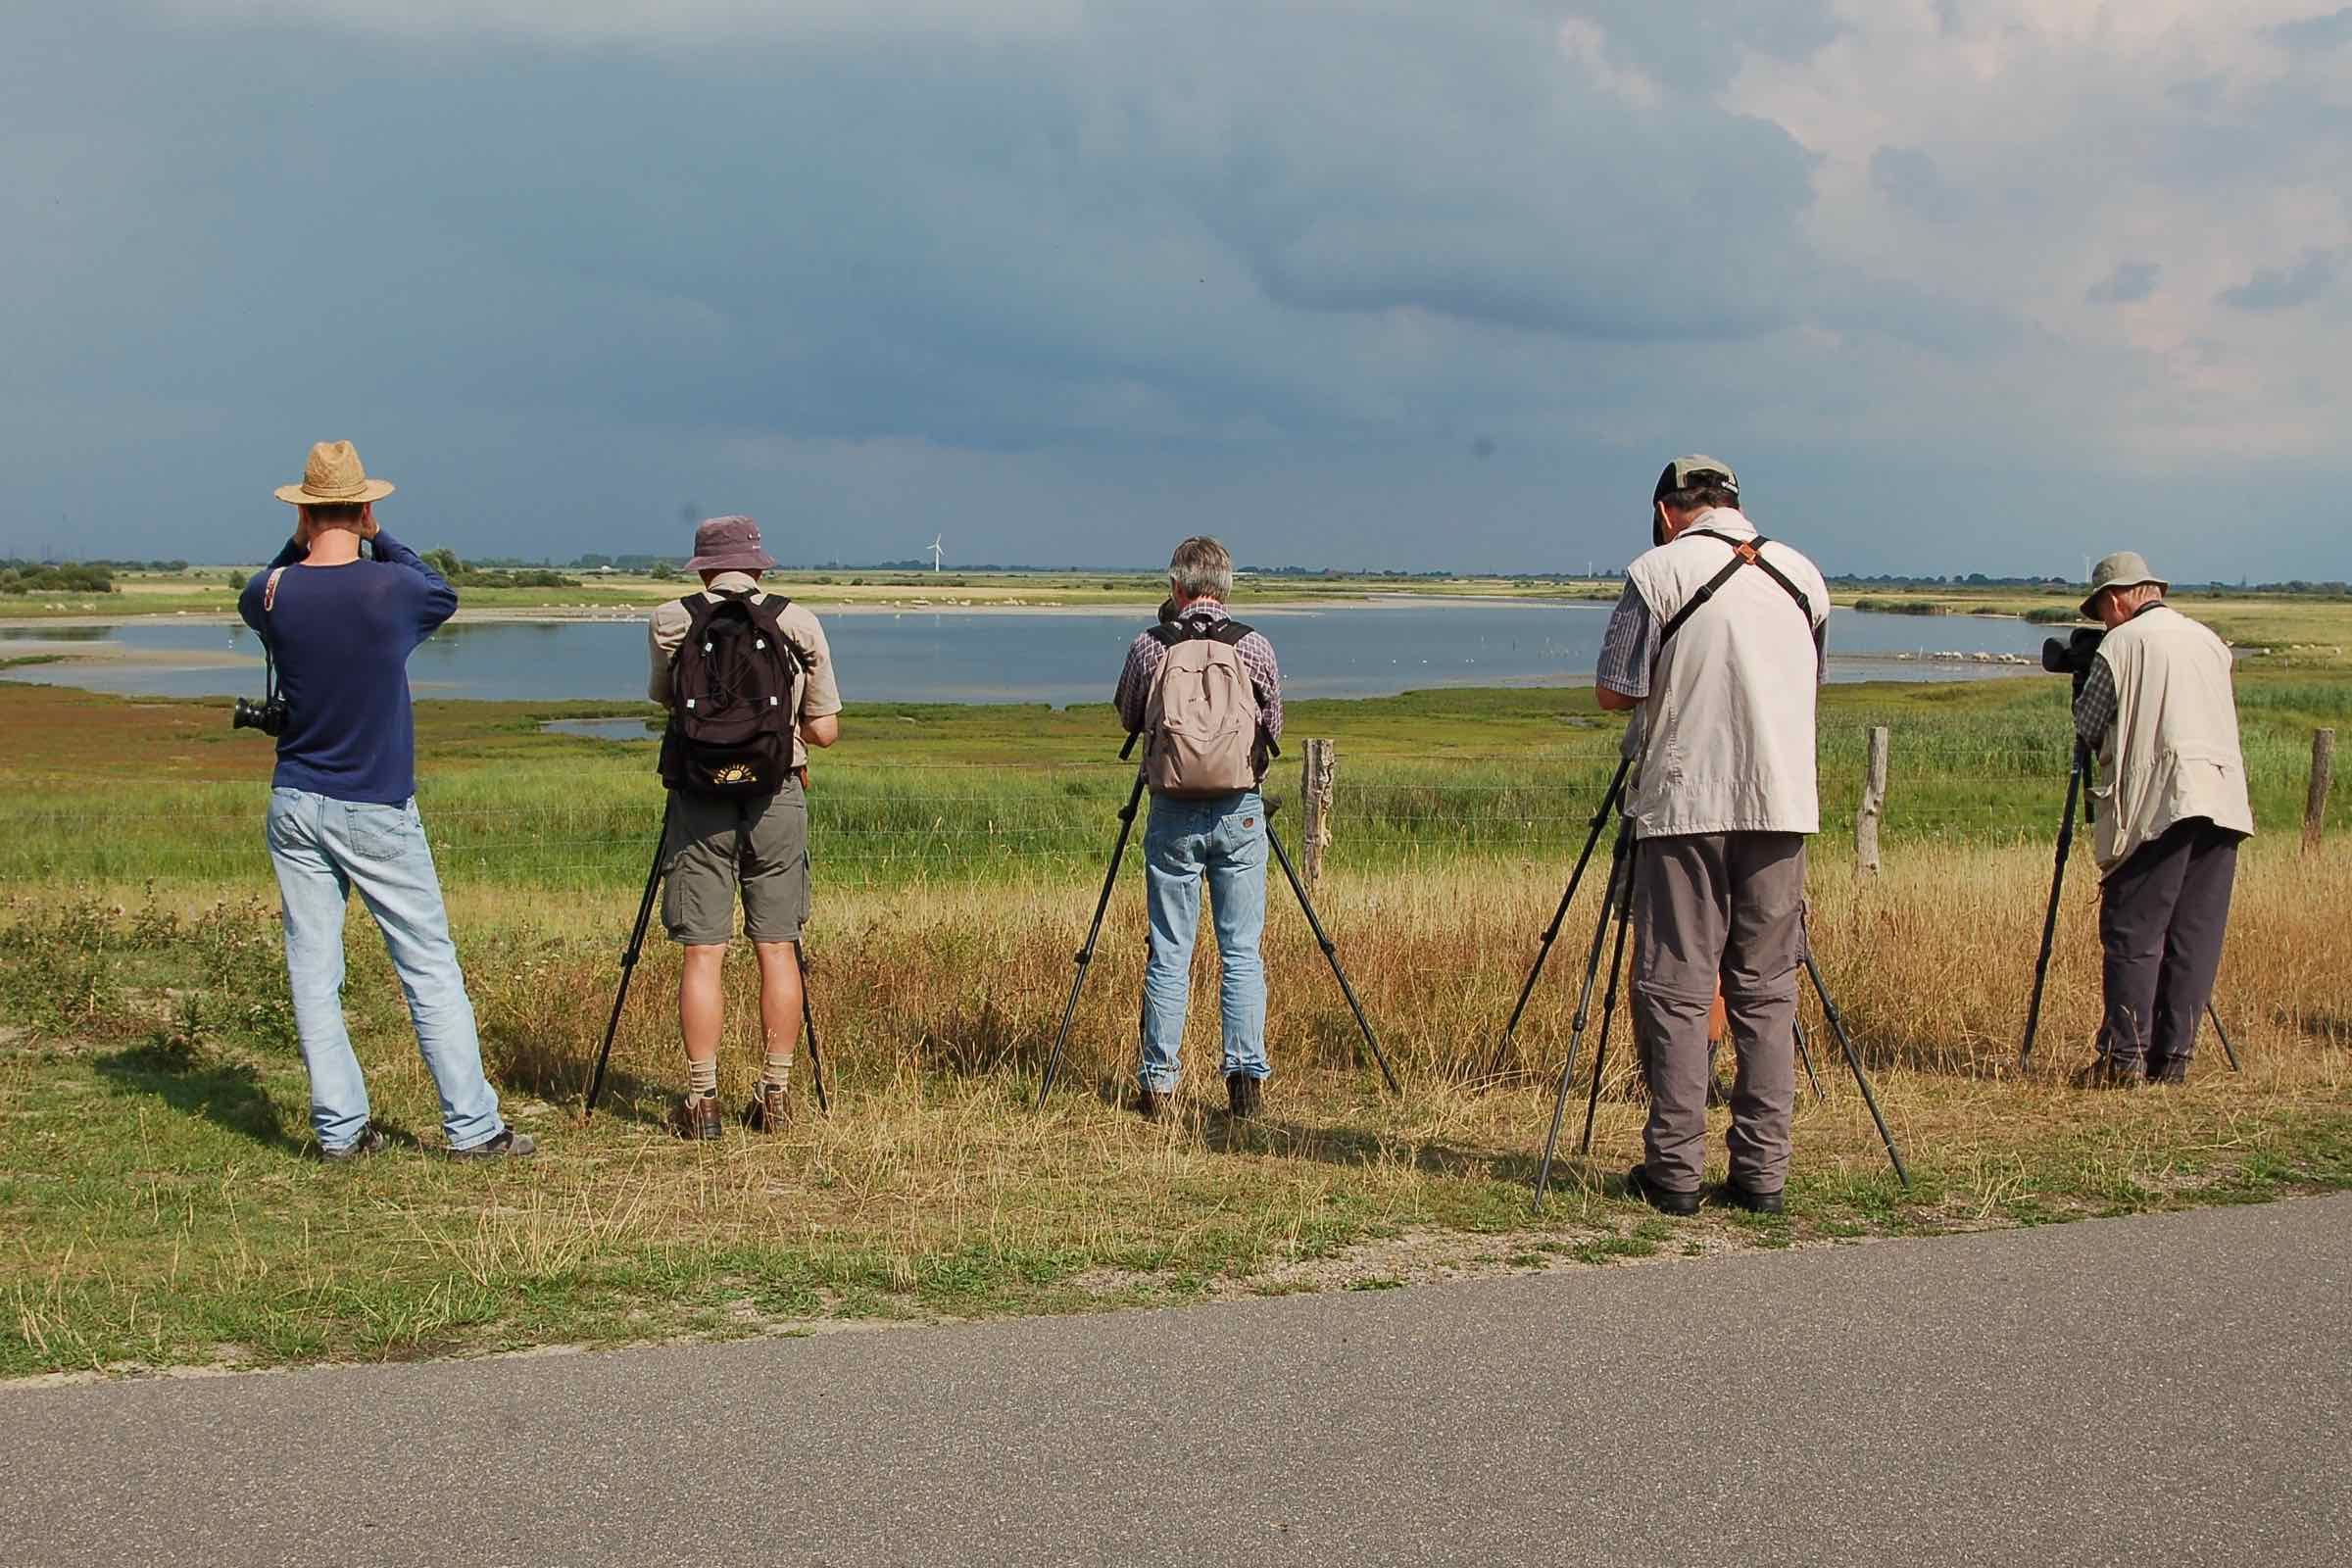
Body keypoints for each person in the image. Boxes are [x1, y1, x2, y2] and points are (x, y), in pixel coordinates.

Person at [241, 440, 532, 1160]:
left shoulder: (272, 594)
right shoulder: (391, 592)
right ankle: (472, 1128)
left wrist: (304, 537)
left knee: (314, 971)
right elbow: (440, 588)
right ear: (365, 507)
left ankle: (339, 1132)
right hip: (374, 804)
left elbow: (269, 579)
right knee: (427, 965)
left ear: (306, 515)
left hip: (296, 800)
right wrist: (381, 537)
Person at [1593, 457, 1830, 1216]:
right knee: (1767, 989)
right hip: (1782, 801)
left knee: (1677, 986)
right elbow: (1810, 681)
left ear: (1668, 513)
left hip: (1687, 802)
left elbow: (1616, 688)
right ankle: (1763, 1173)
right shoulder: (1804, 576)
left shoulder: (1657, 572)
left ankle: (1676, 1171)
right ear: (1735, 503)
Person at [647, 515, 842, 1139]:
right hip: (776, 795)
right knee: (776, 945)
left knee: (704, 951)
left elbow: (665, 701)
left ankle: (703, 1102)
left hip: (700, 797)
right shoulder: (797, 621)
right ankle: (775, 1094)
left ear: (702, 567)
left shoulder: (670, 620)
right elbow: (826, 729)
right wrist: (782, 733)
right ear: (760, 565)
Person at [1112, 537, 1285, 1120]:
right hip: (1240, 809)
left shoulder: (1149, 646)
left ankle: (1159, 1085)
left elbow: (1129, 714)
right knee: (1240, 951)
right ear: (1227, 586)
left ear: (1176, 585)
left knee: (1170, 950)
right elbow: (1274, 724)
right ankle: (1244, 1083)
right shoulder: (1254, 646)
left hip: (1172, 810)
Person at [2071, 552, 2253, 1086]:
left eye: (2101, 611)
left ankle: (2124, 1061)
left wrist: (2083, 684)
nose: (2102, 621)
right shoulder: (2209, 641)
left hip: (2160, 804)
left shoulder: (2122, 644)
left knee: (2133, 931)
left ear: (2116, 599)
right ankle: (2173, 1061)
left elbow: (2089, 724)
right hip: (2222, 800)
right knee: (2194, 937)